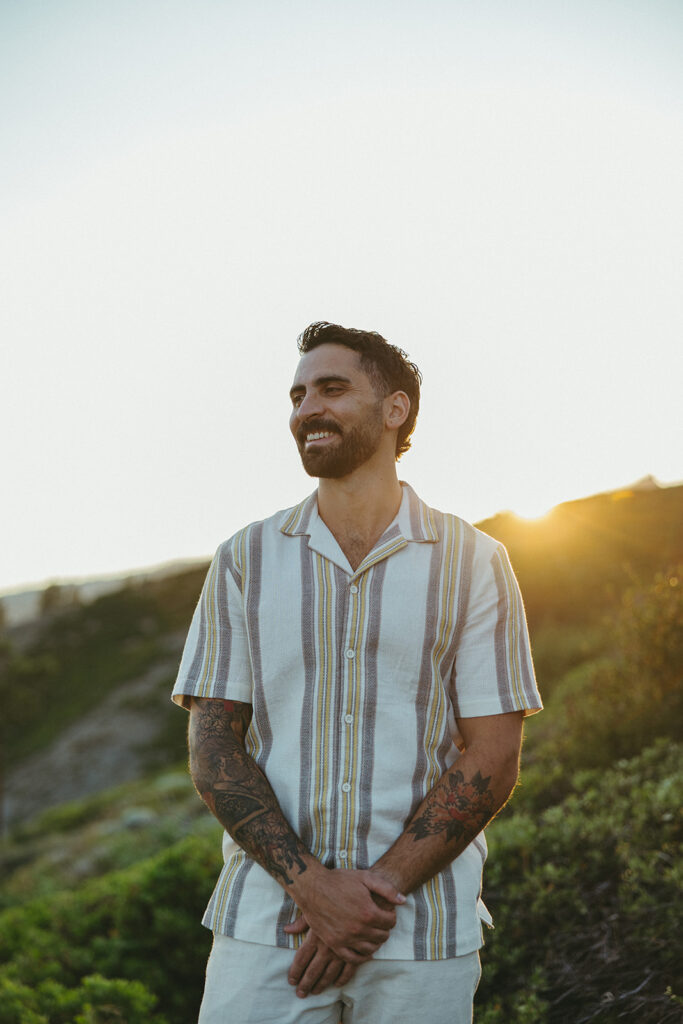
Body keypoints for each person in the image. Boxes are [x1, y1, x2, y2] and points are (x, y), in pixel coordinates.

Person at [172, 322, 542, 1024]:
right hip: (264, 932)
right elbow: (214, 747)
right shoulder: (243, 559)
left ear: (394, 408)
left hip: (419, 936)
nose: (307, 409)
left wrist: (367, 899)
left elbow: (493, 753)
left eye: (332, 389)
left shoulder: (474, 562)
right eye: (297, 394)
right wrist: (311, 889)